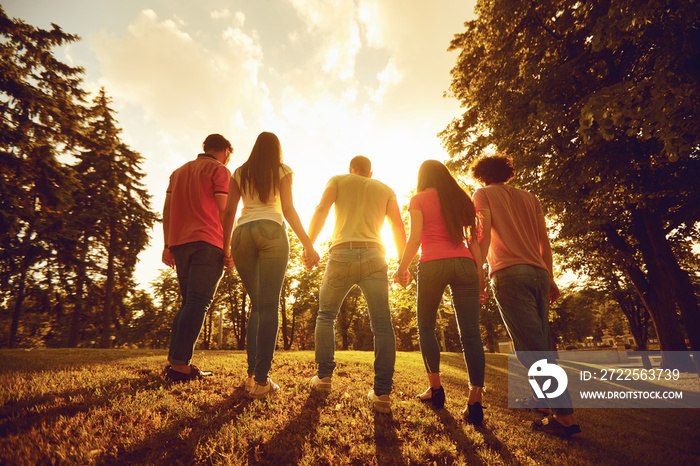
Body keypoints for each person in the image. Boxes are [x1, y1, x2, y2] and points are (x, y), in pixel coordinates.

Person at [469, 153, 582, 438]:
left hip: (509, 274)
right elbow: (544, 242)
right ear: (508, 173)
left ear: (481, 175)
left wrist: (478, 275)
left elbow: (482, 237)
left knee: (531, 349)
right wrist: (550, 276)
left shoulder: (483, 194)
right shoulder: (530, 198)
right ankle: (545, 407)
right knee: (540, 342)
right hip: (538, 273)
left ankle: (564, 417)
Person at [305, 155, 407, 414]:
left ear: (351, 169)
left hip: (341, 253)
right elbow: (397, 225)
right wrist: (403, 265)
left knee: (326, 315)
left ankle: (324, 378)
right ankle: (382, 393)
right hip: (375, 254)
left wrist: (309, 245)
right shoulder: (385, 189)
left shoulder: (338, 180)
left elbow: (321, 210)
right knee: (382, 324)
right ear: (370, 173)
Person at [221, 131, 319, 399]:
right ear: (277, 150)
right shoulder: (282, 170)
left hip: (241, 234)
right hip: (271, 231)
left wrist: (225, 246)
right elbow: (288, 210)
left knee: (257, 305)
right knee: (268, 305)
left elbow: (229, 211)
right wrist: (308, 245)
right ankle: (263, 382)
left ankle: (252, 377)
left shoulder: (239, 172)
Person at [392, 160, 486, 426]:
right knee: (471, 334)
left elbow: (415, 237)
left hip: (433, 263)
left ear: (423, 177)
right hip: (466, 264)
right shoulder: (463, 200)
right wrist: (480, 278)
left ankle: (435, 389)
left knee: (425, 327)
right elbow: (473, 242)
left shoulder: (419, 199)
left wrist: (402, 268)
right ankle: (475, 401)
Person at [162, 133, 234, 382]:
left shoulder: (178, 172)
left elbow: (166, 210)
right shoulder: (220, 171)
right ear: (225, 151)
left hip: (180, 244)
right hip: (208, 243)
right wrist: (229, 248)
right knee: (197, 303)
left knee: (188, 303)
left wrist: (167, 244)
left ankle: (175, 362)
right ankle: (180, 366)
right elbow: (225, 210)